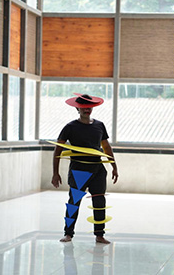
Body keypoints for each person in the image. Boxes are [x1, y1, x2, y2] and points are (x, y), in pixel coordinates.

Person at [51, 93, 118, 244]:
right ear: (77, 108)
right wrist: (55, 173)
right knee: (74, 201)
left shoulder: (99, 125)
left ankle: (99, 235)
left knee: (99, 203)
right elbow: (58, 150)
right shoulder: (70, 127)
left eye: (89, 107)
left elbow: (106, 147)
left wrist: (114, 166)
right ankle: (68, 234)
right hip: (79, 170)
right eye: (83, 107)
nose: (87, 109)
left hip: (98, 170)